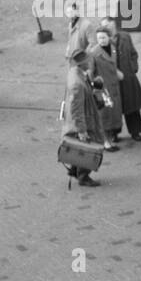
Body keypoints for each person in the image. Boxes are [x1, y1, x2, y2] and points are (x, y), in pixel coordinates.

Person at [62, 48, 103, 184]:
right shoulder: (77, 84)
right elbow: (77, 109)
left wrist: (92, 84)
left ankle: (75, 169)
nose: (91, 62)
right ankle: (83, 176)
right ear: (83, 63)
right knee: (89, 146)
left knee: (81, 146)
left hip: (85, 116)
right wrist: (81, 130)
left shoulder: (76, 73)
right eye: (88, 60)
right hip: (86, 119)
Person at [105, 17, 141, 141]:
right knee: (113, 107)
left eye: (110, 26)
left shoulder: (125, 36)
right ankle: (114, 133)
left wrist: (133, 68)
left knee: (132, 105)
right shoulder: (102, 41)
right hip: (112, 80)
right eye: (106, 27)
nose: (109, 29)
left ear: (115, 26)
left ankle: (135, 131)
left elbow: (133, 53)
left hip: (128, 77)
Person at [87, 27, 124, 150]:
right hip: (103, 89)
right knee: (105, 116)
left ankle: (111, 137)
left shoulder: (113, 49)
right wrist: (93, 88)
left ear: (109, 37)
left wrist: (117, 72)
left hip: (114, 87)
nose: (101, 40)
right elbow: (90, 72)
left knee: (113, 114)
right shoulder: (94, 53)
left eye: (103, 37)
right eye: (99, 38)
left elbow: (114, 65)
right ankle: (106, 142)